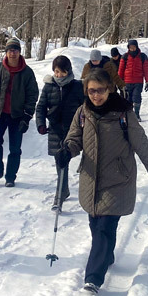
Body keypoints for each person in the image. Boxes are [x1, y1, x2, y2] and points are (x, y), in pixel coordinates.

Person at [55, 68, 148, 295]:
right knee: (96, 226)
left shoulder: (123, 113)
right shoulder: (83, 113)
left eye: (101, 90)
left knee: (104, 228)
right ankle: (106, 254)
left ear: (110, 89)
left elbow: (141, 143)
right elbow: (74, 138)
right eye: (92, 91)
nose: (96, 95)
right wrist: (67, 150)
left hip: (117, 180)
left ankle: (93, 277)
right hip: (91, 178)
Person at [0, 38, 39, 188]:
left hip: (17, 115)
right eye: (9, 50)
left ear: (20, 52)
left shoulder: (27, 73)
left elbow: (32, 95)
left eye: (15, 50)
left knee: (15, 148)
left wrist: (27, 117)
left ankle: (10, 176)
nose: (12, 53)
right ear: (6, 52)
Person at [35, 55, 84, 210]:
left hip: (73, 130)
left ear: (68, 71)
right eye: (56, 72)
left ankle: (64, 190)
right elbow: (41, 107)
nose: (59, 75)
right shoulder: (49, 86)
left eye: (62, 72)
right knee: (60, 162)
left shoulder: (77, 86)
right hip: (55, 129)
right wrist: (41, 124)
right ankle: (61, 194)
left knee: (66, 160)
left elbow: (86, 107)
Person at [118, 39, 148, 121]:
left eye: (133, 47)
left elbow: (146, 70)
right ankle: (128, 115)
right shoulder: (125, 57)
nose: (132, 49)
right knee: (128, 99)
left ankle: (136, 114)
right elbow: (121, 70)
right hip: (127, 82)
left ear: (136, 47)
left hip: (138, 81)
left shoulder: (143, 56)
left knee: (136, 97)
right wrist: (119, 82)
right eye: (130, 47)